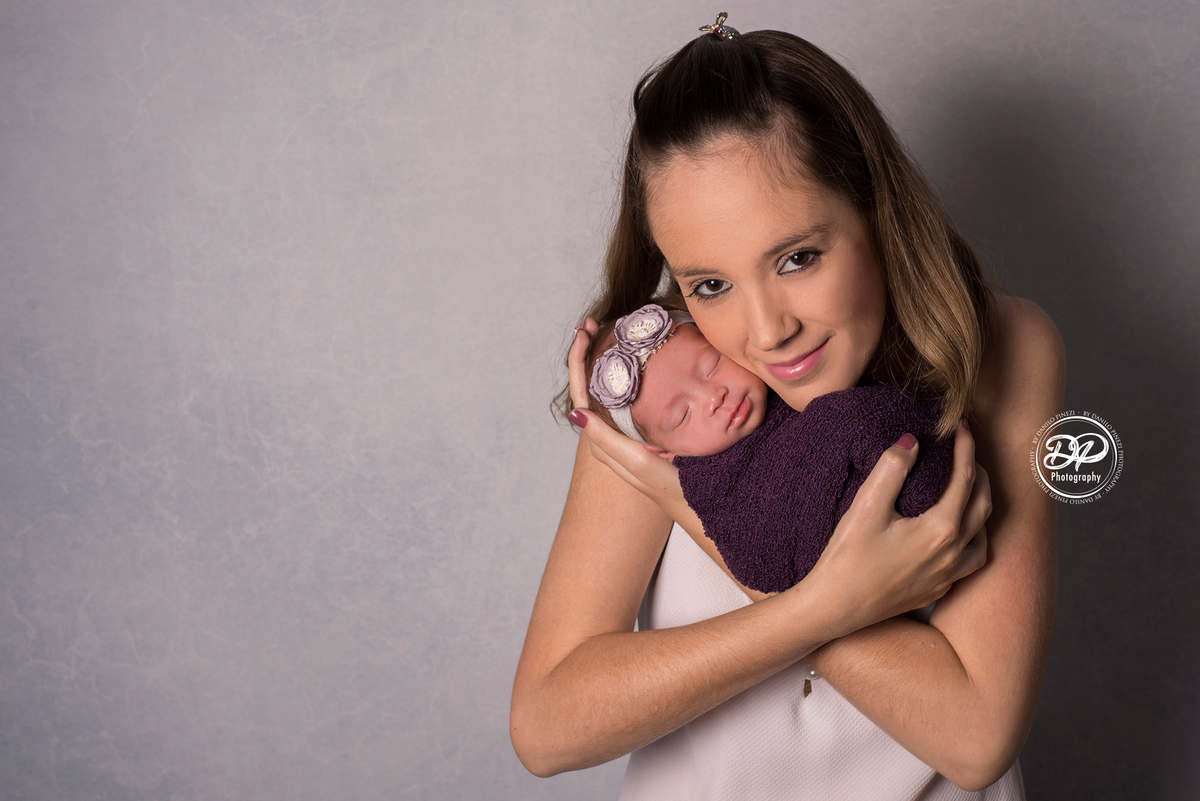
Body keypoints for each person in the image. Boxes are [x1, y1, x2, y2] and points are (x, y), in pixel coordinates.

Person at [511, 16, 1063, 800]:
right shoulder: (668, 383)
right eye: (709, 284)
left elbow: (974, 736)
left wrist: (688, 505)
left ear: (874, 206)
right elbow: (546, 724)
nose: (766, 331)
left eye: (798, 257)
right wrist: (820, 606)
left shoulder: (1008, 345)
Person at [585, 302, 953, 594]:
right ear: (662, 453)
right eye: (682, 415)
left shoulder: (796, 375)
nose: (714, 398)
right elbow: (758, 562)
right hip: (875, 559)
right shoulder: (711, 485)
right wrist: (836, 426)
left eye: (712, 367)